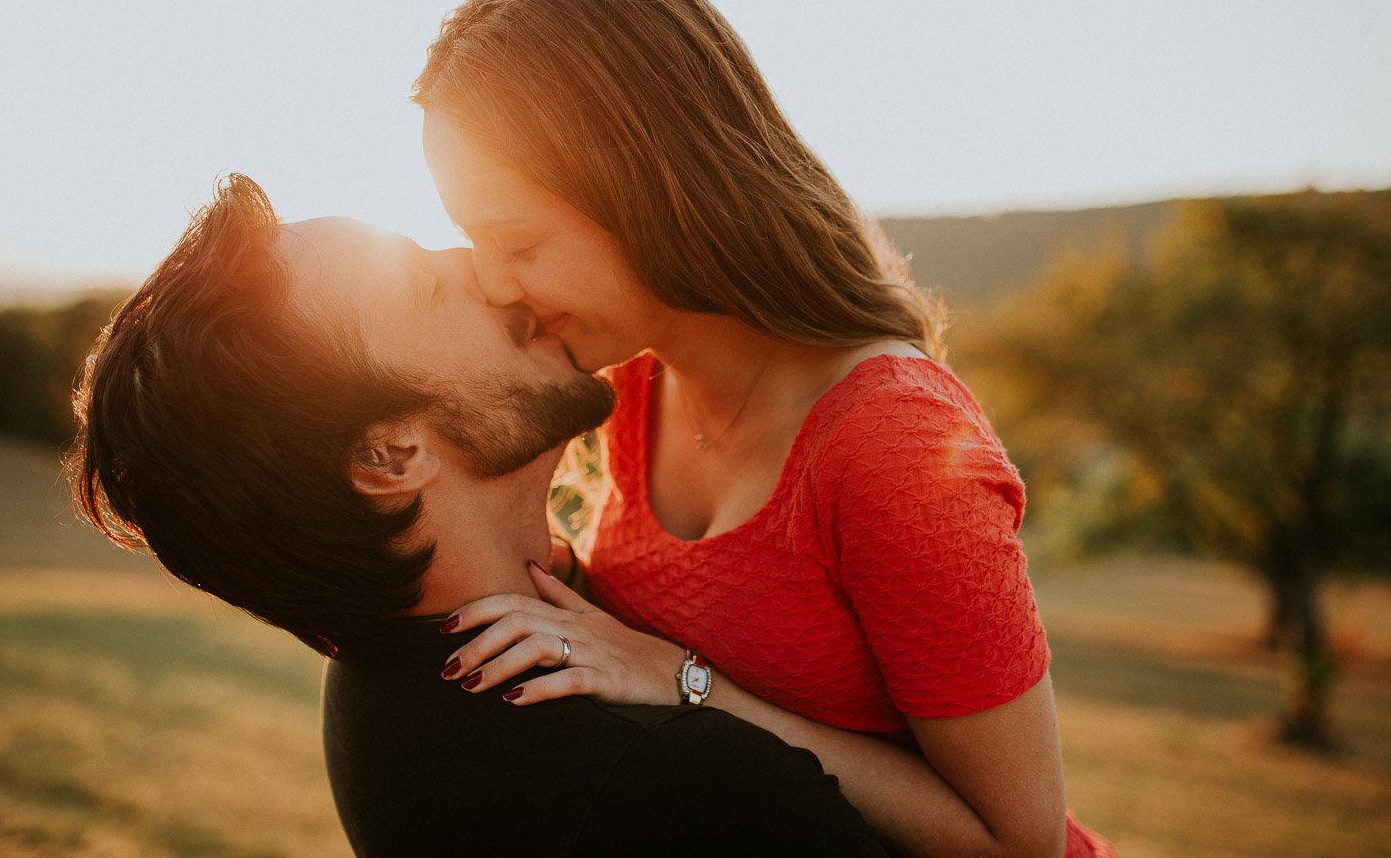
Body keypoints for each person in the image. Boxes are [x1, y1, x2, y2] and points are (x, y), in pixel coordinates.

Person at [414, 0, 1115, 858]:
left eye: (516, 240)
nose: (497, 285)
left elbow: (1020, 844)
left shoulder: (889, 446)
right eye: (470, 240)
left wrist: (688, 683)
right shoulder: (624, 384)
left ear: (648, 188)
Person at [66, 175, 885, 858]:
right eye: (428, 286)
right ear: (388, 456)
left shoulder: (375, 685)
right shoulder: (672, 776)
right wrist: (696, 688)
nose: (485, 271)